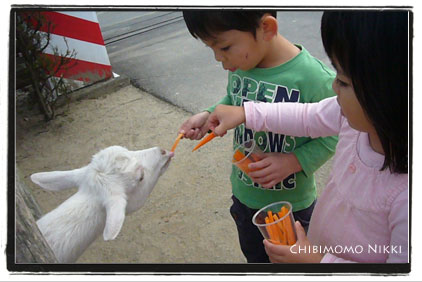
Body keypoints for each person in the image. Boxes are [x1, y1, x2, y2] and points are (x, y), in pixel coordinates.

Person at [207, 11, 409, 263]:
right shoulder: (350, 118)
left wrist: (317, 263)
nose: (333, 87)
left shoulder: (406, 199)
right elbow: (306, 116)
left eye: (343, 81)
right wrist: (246, 112)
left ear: (391, 94)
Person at [178, 10, 338, 263]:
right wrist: (209, 114)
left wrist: (293, 161)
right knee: (256, 259)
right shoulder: (242, 63)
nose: (220, 60)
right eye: (212, 49)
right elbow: (234, 99)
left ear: (266, 28)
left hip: (291, 209)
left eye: (225, 47)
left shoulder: (314, 78)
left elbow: (334, 134)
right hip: (244, 198)